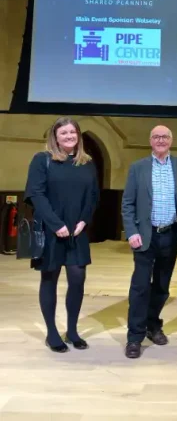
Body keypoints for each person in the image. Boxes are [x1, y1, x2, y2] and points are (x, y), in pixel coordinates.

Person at [24, 117, 99, 352]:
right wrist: (56, 224)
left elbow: (93, 195)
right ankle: (52, 333)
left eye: (72, 132)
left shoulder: (87, 162)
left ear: (78, 135)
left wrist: (84, 220)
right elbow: (36, 194)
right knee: (49, 279)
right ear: (55, 137)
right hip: (51, 230)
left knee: (77, 279)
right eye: (63, 133)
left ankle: (72, 330)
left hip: (77, 231)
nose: (69, 136)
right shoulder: (42, 159)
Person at [121, 125, 177, 359]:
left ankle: (153, 325)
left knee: (162, 286)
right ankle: (134, 337)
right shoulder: (138, 168)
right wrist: (131, 231)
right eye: (156, 137)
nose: (160, 140)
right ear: (150, 141)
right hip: (145, 235)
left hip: (170, 235)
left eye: (165, 137)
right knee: (140, 287)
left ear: (171, 140)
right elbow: (127, 203)